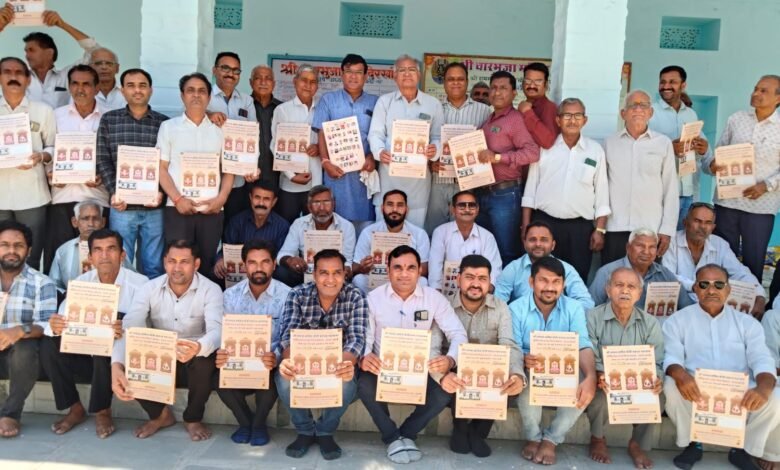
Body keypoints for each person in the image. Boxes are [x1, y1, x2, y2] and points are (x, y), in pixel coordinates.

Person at [663, 264, 780, 470]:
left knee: (776, 395)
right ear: (695, 288)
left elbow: (762, 359)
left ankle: (744, 449)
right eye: (704, 284)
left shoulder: (747, 323)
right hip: (696, 389)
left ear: (728, 289)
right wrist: (681, 375)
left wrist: (763, 387)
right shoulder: (677, 320)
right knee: (671, 385)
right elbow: (672, 356)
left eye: (718, 285)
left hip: (740, 392)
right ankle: (693, 443)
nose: (711, 290)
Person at [358, 245, 468, 464]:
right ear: (388, 270)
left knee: (445, 390)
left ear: (420, 271)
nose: (404, 274)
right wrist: (365, 356)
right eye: (397, 267)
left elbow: (458, 334)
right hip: (383, 369)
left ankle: (407, 433)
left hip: (420, 369)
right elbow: (366, 337)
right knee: (364, 384)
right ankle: (391, 437)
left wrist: (450, 360)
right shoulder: (373, 299)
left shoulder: (434, 299)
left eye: (410, 268)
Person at [110, 240, 223, 441]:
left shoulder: (210, 289)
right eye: (172, 261)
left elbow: (217, 331)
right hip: (159, 354)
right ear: (164, 262)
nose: (177, 268)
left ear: (196, 264)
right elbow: (129, 326)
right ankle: (160, 416)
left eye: (184, 262)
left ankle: (192, 419)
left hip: (193, 353)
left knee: (205, 361)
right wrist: (116, 365)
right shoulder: (149, 288)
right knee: (135, 357)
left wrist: (198, 347)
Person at [40, 229, 148, 439]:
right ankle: (75, 407)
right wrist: (56, 325)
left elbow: (144, 327)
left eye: (111, 249)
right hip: (86, 356)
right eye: (98, 250)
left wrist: (123, 328)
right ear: (90, 257)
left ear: (123, 255)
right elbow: (61, 319)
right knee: (48, 343)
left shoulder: (140, 284)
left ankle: (102, 410)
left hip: (122, 358)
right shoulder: (81, 283)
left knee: (104, 339)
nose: (104, 255)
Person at [275, 249, 368, 460]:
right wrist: (289, 361)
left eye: (337, 273)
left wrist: (344, 365)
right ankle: (305, 430)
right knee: (284, 378)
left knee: (346, 380)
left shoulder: (356, 296)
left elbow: (357, 339)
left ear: (345, 274)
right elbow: (287, 335)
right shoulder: (297, 294)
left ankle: (326, 430)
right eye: (324, 273)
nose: (330, 279)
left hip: (338, 362)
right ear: (314, 275)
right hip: (303, 363)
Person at [509, 256, 597, 466]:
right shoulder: (516, 308)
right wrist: (523, 358)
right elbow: (513, 347)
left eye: (556, 282)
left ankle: (551, 439)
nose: (550, 287)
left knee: (584, 382)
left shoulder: (574, 308)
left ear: (563, 284)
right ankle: (533, 437)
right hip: (531, 367)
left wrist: (591, 377)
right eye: (543, 280)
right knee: (526, 378)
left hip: (563, 369)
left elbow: (582, 344)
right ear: (531, 282)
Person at [436, 254, 525, 457]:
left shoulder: (500, 307)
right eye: (469, 277)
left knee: (512, 383)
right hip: (455, 368)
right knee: (454, 377)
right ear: (458, 279)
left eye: (482, 279)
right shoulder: (444, 305)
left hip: (490, 370)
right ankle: (460, 427)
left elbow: (509, 344)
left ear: (490, 282)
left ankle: (478, 432)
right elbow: (435, 345)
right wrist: (443, 374)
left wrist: (517, 375)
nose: (476, 284)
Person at [702, 75, 780, 284]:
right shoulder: (736, 119)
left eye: (763, 91)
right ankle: (717, 300)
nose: (756, 93)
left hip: (760, 208)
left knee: (753, 262)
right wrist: (713, 165)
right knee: (720, 259)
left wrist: (766, 185)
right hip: (727, 203)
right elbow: (717, 155)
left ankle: (750, 301)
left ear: (778, 98)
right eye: (755, 88)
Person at [522, 97, 610, 280]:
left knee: (576, 277)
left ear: (585, 120)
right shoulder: (545, 148)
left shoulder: (595, 150)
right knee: (541, 276)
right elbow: (530, 190)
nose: (572, 120)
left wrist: (600, 230)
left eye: (578, 115)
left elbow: (602, 193)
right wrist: (526, 225)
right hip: (545, 223)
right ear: (558, 120)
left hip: (580, 229)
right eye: (567, 115)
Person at [585, 267, 664, 469]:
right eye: (619, 285)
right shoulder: (592, 317)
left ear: (639, 293)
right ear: (608, 289)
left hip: (637, 382)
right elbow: (588, 352)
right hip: (604, 379)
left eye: (631, 287)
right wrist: (600, 373)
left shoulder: (650, 323)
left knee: (659, 396)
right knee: (597, 394)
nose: (625, 291)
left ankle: (637, 443)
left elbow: (657, 360)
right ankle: (598, 438)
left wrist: (657, 378)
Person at [158, 72, 233, 278]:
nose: (196, 95)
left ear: (209, 97)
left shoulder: (222, 129)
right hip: (178, 208)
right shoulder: (168, 127)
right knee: (178, 263)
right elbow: (161, 168)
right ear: (182, 96)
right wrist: (177, 198)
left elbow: (229, 169)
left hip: (212, 209)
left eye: (202, 91)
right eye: (190, 90)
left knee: (206, 263)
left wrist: (221, 199)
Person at [216, 239, 290, 446]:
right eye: (252, 262)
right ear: (244, 265)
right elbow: (224, 333)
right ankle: (245, 422)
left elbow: (289, 336)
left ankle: (258, 425)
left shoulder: (288, 295)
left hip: (270, 360)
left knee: (272, 377)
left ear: (274, 265)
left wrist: (275, 356)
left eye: (265, 262)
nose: (259, 268)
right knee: (218, 377)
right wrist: (223, 353)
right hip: (239, 360)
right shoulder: (230, 296)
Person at [96, 68, 168, 278]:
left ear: (151, 90)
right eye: (131, 86)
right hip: (122, 207)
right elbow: (103, 159)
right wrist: (115, 192)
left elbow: (169, 164)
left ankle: (150, 300)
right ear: (122, 91)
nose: (137, 90)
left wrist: (162, 193)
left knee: (154, 265)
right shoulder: (109, 120)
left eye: (142, 85)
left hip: (154, 207)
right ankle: (124, 300)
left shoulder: (164, 123)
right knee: (121, 264)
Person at [45, 64, 108, 273]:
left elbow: (114, 155)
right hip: (62, 196)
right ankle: (58, 293)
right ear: (69, 86)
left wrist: (103, 175)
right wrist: (50, 174)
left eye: (86, 84)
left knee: (99, 258)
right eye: (75, 83)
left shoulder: (109, 117)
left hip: (97, 197)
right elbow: (48, 148)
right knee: (60, 257)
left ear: (97, 88)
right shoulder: (55, 116)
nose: (80, 89)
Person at [603, 90, 678, 264]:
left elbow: (671, 189)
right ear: (623, 113)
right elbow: (601, 187)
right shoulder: (609, 143)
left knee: (647, 277)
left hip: (650, 229)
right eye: (632, 105)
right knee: (613, 275)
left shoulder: (663, 143)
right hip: (615, 226)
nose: (638, 109)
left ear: (650, 112)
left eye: (643, 105)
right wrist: (599, 227)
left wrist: (667, 230)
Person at [369, 54, 443, 228]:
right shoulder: (384, 102)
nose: (407, 74)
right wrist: (379, 152)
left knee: (415, 230)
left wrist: (435, 149)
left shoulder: (433, 104)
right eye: (402, 70)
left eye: (411, 70)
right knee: (385, 229)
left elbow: (438, 136)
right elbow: (375, 134)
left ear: (419, 75)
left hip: (418, 181)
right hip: (389, 176)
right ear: (395, 76)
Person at [0, 220, 57, 438]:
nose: (11, 251)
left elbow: (46, 324)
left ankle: (11, 413)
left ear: (29, 251)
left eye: (18, 245)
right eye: (4, 245)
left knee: (25, 348)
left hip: (22, 351)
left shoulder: (42, 282)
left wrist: (17, 331)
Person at [476, 70, 540, 263]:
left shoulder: (516, 120)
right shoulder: (488, 121)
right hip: (483, 193)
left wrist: (498, 157)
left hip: (505, 194)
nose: (497, 92)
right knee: (486, 250)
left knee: (507, 252)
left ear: (513, 93)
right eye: (494, 88)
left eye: (503, 88)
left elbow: (532, 153)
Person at [312, 53, 378, 233]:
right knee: (335, 224)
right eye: (349, 71)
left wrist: (372, 158)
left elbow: (379, 135)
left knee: (364, 227)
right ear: (341, 74)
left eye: (358, 72)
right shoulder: (328, 100)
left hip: (363, 174)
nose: (353, 76)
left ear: (366, 76)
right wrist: (325, 162)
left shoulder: (376, 102)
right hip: (336, 173)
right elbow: (322, 133)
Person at [0, 56, 55, 271]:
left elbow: (53, 147)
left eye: (19, 73)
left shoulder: (43, 110)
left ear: (28, 79)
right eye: (7, 72)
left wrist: (40, 157)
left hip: (32, 194)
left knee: (31, 254)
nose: (13, 77)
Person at [662, 202, 766, 316]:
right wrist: (695, 286)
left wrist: (759, 295)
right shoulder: (672, 242)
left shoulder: (719, 244)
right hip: (680, 304)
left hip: (711, 304)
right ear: (685, 223)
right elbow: (668, 276)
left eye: (708, 223)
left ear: (713, 227)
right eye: (697, 221)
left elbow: (740, 273)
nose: (702, 227)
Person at [425, 62, 491, 234]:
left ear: (467, 81)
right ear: (444, 83)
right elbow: (427, 143)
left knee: (464, 233)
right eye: (451, 79)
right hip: (438, 181)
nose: (455, 83)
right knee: (435, 231)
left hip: (469, 185)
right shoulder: (435, 109)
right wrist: (430, 163)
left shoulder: (485, 111)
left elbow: (490, 144)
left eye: (460, 79)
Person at [0, 6, 100, 108]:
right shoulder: (19, 78)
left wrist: (62, 24)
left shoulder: (67, 76)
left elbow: (96, 52)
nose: (27, 55)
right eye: (26, 51)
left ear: (49, 53)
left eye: (32, 50)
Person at [648, 65, 710, 228]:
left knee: (680, 240)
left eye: (672, 82)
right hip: (661, 193)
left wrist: (702, 149)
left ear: (683, 85)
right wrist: (669, 148)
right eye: (662, 82)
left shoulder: (691, 114)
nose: (666, 86)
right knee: (657, 238)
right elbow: (640, 148)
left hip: (688, 192)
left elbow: (702, 152)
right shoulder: (650, 112)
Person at [590, 228, 694, 317]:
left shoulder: (665, 275)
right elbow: (591, 309)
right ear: (628, 247)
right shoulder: (607, 272)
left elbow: (687, 307)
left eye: (652, 247)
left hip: (656, 332)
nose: (646, 252)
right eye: (640, 246)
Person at [207, 52, 259, 224]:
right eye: (225, 68)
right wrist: (208, 114)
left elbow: (253, 136)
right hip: (209, 177)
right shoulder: (204, 96)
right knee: (211, 229)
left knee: (233, 227)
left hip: (237, 180)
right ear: (214, 70)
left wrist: (252, 166)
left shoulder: (246, 101)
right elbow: (189, 119)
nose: (231, 74)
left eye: (236, 70)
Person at [495, 220, 594, 310]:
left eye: (544, 240)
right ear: (524, 243)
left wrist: (562, 315)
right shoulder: (513, 269)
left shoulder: (566, 269)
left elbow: (587, 303)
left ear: (553, 245)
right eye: (532, 239)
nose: (538, 244)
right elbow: (497, 303)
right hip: (520, 322)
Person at [352, 190, 430, 293]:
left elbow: (424, 269)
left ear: (406, 210)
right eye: (390, 204)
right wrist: (363, 268)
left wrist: (406, 269)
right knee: (358, 280)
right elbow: (355, 267)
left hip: (405, 280)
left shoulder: (419, 234)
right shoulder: (368, 232)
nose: (394, 209)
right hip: (377, 282)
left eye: (400, 205)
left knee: (423, 282)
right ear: (382, 208)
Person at [276, 185, 356, 287]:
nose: (322, 208)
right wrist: (290, 260)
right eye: (316, 203)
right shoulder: (299, 224)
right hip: (305, 272)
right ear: (309, 207)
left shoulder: (347, 226)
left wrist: (347, 269)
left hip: (333, 274)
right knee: (282, 272)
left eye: (326, 202)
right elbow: (283, 253)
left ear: (333, 204)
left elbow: (348, 260)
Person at [271, 64, 321, 223]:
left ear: (317, 86)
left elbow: (328, 139)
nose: (308, 85)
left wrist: (320, 148)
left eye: (313, 82)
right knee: (287, 227)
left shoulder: (323, 108)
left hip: (316, 182)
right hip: (289, 185)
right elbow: (275, 146)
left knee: (313, 227)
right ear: (295, 81)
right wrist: (292, 176)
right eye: (304, 80)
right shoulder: (283, 110)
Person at [213, 182, 290, 282]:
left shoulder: (282, 226)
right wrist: (220, 260)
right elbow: (226, 248)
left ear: (274, 202)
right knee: (216, 272)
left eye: (266, 199)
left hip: (268, 271)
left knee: (283, 273)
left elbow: (280, 256)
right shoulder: (237, 221)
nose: (261, 203)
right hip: (239, 270)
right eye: (257, 197)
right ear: (250, 198)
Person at [428, 190, 502, 293]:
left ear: (477, 210)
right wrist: (436, 294)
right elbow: (435, 266)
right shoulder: (440, 232)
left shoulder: (487, 236)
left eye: (471, 206)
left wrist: (483, 291)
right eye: (462, 206)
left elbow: (494, 270)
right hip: (446, 292)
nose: (467, 209)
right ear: (453, 209)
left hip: (477, 292)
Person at [49, 199, 105, 291]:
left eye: (95, 219)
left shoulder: (116, 249)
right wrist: (65, 294)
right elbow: (54, 284)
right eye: (85, 218)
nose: (91, 224)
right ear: (75, 222)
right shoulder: (63, 251)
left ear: (103, 222)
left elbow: (126, 279)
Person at [249, 65, 282, 192]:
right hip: (248, 175)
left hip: (277, 176)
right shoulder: (243, 106)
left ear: (274, 83)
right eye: (258, 78)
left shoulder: (282, 109)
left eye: (268, 78)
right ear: (251, 82)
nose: (263, 82)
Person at [516, 62, 560, 149]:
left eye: (538, 81)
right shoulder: (523, 106)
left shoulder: (549, 107)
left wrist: (527, 113)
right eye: (528, 80)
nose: (532, 85)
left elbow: (548, 142)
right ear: (522, 83)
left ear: (546, 85)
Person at [89, 47, 125, 112]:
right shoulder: (83, 92)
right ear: (90, 68)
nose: (104, 67)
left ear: (117, 68)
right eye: (98, 63)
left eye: (109, 63)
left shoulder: (127, 92)